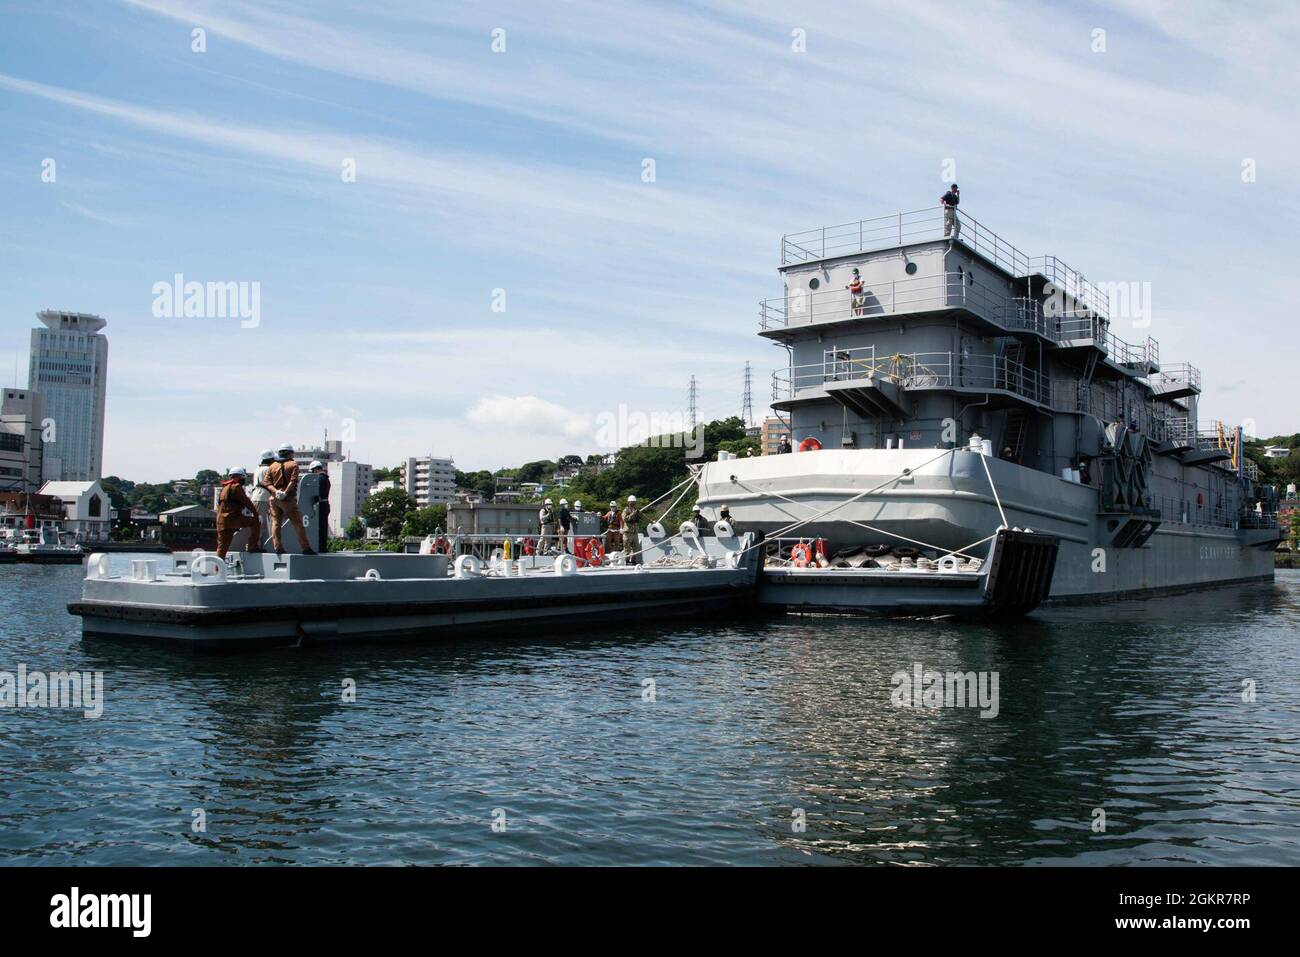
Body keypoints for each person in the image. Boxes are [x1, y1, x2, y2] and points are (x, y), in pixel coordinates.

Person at [267, 442, 314, 555]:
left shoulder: (272, 466)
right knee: (297, 523)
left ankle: (278, 547)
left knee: (275, 523)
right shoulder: (293, 464)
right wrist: (285, 493)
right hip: (287, 499)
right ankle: (305, 548)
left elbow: (267, 482)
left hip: (274, 498)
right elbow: (293, 481)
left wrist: (275, 491)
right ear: (289, 453)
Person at [215, 467, 262, 559]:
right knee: (256, 522)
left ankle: (217, 569)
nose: (243, 479)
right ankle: (252, 546)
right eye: (242, 477)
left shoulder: (224, 488)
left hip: (221, 521)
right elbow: (246, 501)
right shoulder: (236, 487)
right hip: (233, 519)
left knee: (222, 547)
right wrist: (255, 514)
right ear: (239, 476)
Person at [250, 448, 275, 551]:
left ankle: (258, 545)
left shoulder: (258, 468)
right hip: (262, 498)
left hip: (258, 496)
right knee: (260, 523)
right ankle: (253, 545)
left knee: (261, 523)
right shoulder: (267, 469)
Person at [308, 459, 330, 553]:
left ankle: (321, 547)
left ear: (315, 469)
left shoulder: (320, 478)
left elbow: (318, 493)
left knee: (320, 527)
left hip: (321, 505)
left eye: (313, 471)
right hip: (325, 504)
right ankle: (323, 546)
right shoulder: (326, 478)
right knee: (323, 526)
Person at [621, 495, 641, 564]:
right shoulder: (625, 510)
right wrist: (632, 514)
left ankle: (633, 560)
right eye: (631, 502)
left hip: (634, 532)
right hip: (628, 532)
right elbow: (624, 519)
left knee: (636, 547)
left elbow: (641, 518)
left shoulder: (636, 510)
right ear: (629, 502)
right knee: (627, 547)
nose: (632, 503)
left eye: (634, 502)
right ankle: (626, 561)